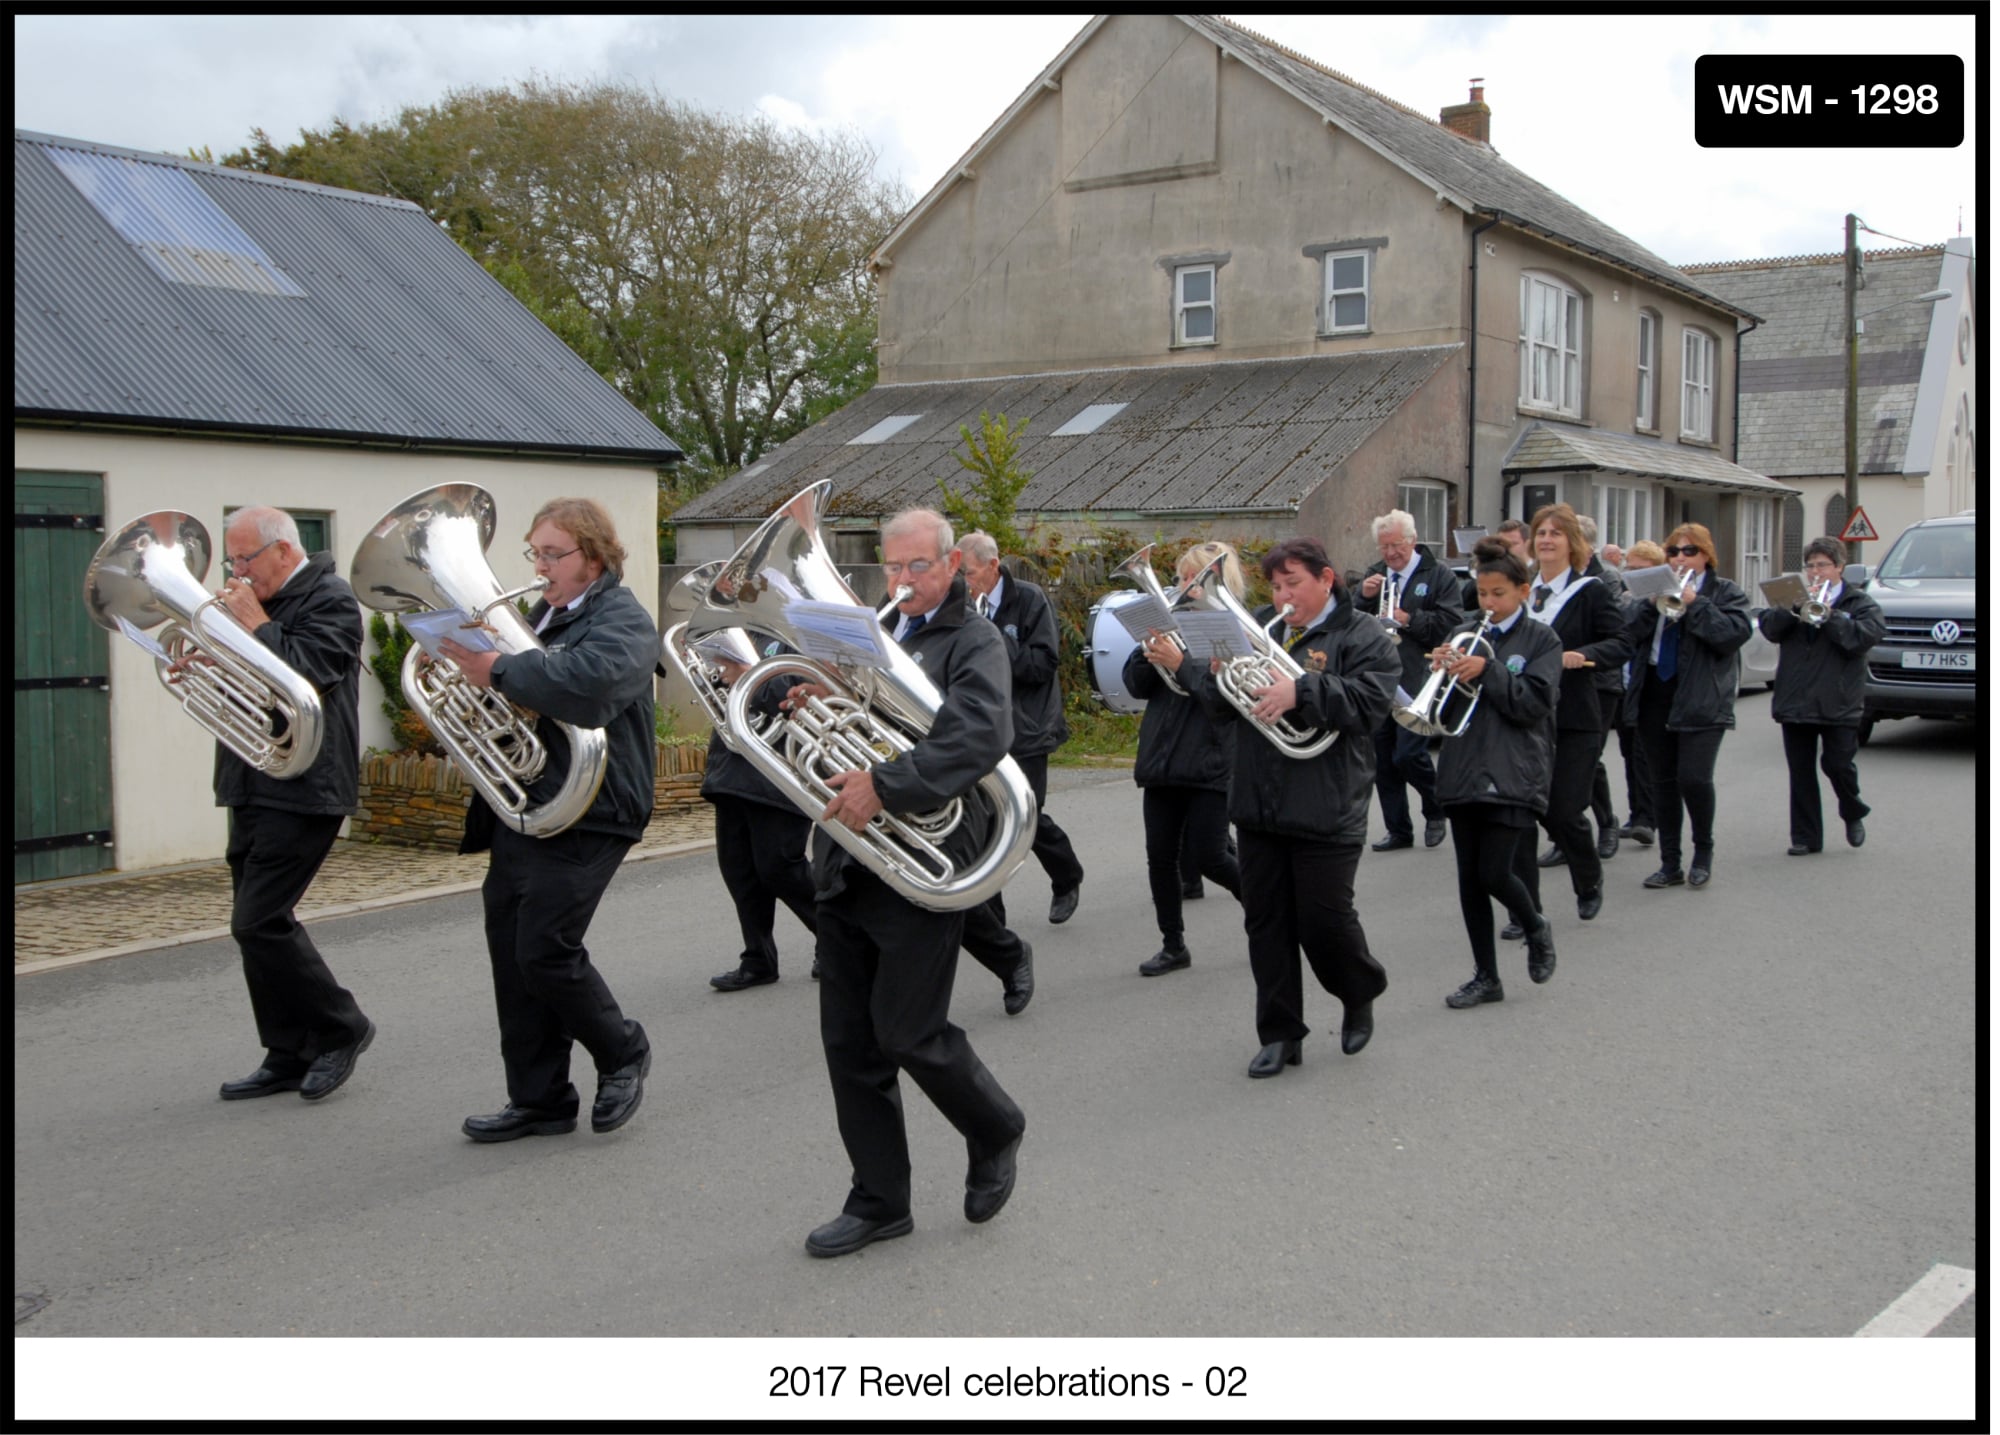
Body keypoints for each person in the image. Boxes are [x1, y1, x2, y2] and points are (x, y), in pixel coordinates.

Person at [795, 508, 1027, 1257]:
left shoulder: (975, 640)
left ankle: (995, 1126)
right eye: (891, 569)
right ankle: (879, 1200)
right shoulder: (876, 634)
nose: (901, 581)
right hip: (849, 856)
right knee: (849, 1046)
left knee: (909, 1031)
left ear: (952, 562)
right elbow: (848, 725)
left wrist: (887, 786)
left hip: (925, 856)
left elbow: (980, 734)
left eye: (917, 567)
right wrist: (809, 699)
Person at [439, 498, 657, 1143]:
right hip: (531, 802)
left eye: (552, 554)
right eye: (534, 553)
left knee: (544, 951)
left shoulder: (622, 615)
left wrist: (501, 668)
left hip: (595, 807)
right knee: (512, 952)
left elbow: (591, 685)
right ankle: (539, 1100)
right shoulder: (542, 615)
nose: (539, 567)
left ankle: (622, 1050)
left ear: (593, 557)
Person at [1191, 536, 1399, 1078]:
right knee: (1267, 925)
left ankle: (1359, 988)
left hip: (1328, 802)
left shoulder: (1364, 634)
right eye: (1277, 585)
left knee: (1324, 923)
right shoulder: (1261, 626)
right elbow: (1222, 710)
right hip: (1259, 799)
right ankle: (1281, 1034)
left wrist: (1301, 691)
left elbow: (1371, 703)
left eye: (1294, 584)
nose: (1283, 595)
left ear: (1326, 580)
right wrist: (1215, 676)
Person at [209, 507, 376, 1104]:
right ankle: (286, 1050)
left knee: (258, 921)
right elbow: (248, 684)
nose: (237, 571)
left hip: (306, 786)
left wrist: (254, 625)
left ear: (283, 551)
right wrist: (204, 662)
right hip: (251, 779)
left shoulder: (330, 600)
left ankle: (341, 1027)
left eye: (245, 559)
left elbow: (309, 673)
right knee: (255, 928)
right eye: (233, 560)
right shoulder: (259, 602)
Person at [1434, 538, 1564, 1008]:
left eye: (1498, 594)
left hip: (1513, 769)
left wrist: (1487, 670)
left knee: (1494, 871)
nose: (1487, 603)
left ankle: (1534, 924)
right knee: (1470, 879)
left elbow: (1532, 703)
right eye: (1482, 594)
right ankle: (1486, 976)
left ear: (1523, 592)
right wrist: (1443, 673)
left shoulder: (1542, 640)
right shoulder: (1464, 631)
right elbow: (1444, 710)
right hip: (1464, 764)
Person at [1122, 541, 1245, 975]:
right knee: (1160, 857)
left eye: (1190, 577)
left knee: (1211, 856)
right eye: (1179, 577)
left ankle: (1268, 912)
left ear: (1215, 581)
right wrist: (1145, 650)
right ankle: (1173, 945)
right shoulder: (1171, 622)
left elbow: (1223, 698)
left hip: (1210, 757)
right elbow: (1137, 686)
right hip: (1162, 757)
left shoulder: (1233, 628)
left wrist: (1179, 664)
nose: (1181, 585)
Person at [959, 532, 1085, 924]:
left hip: (1027, 728)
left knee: (1027, 816)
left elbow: (1042, 664)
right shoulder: (963, 604)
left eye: (970, 572)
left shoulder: (1029, 599)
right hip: (982, 727)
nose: (964, 581)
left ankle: (1066, 876)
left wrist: (990, 635)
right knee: (986, 820)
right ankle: (994, 918)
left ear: (993, 566)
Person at [1624, 522, 1751, 890]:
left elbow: (1730, 636)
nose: (1680, 558)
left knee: (1694, 779)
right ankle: (1670, 864)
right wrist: (1649, 605)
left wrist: (1696, 603)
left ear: (1706, 556)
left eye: (1689, 551)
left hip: (1702, 697)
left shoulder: (1725, 592)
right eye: (1674, 552)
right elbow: (1627, 632)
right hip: (1655, 694)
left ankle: (1703, 852)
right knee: (1662, 782)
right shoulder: (1655, 588)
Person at [1523, 505, 1630, 923]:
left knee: (1564, 811)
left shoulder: (1591, 591)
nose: (1547, 539)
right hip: (1524, 717)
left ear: (1573, 543)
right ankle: (1524, 911)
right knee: (1522, 818)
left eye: (1556, 533)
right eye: (1541, 532)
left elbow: (1621, 641)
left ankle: (1588, 879)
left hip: (1574, 717)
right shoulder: (1520, 591)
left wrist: (1583, 654)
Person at [700, 639, 820, 991]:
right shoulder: (741, 631)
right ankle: (758, 958)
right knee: (739, 871)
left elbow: (798, 696)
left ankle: (836, 939)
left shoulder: (802, 636)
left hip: (781, 772)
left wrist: (748, 676)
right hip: (732, 768)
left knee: (780, 868)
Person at [1757, 538, 1885, 855]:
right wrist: (1794, 609)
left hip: (1839, 699)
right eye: (1811, 565)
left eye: (1822, 565)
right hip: (1795, 698)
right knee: (1800, 770)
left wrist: (1829, 615)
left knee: (1837, 764)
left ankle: (1852, 808)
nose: (1815, 571)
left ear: (1839, 567)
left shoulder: (1860, 604)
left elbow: (1861, 639)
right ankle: (1805, 837)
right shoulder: (1793, 597)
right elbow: (1770, 629)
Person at [1359, 510, 1464, 852]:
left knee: (1408, 754)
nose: (1390, 553)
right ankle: (1398, 830)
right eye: (1384, 546)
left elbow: (1452, 623)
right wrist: (1362, 596)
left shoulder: (1439, 574)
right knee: (1384, 759)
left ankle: (1436, 809)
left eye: (1396, 545)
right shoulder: (1375, 575)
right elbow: (1353, 621)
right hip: (1380, 673)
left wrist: (1408, 618)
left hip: (1419, 674)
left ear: (1412, 541)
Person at [1576, 514, 1625, 862]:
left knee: (1588, 757)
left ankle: (1607, 822)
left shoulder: (1606, 580)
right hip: (1562, 682)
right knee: (1564, 759)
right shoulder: (1552, 579)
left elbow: (1615, 634)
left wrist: (1582, 651)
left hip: (1599, 682)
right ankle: (1570, 833)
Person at [1611, 541, 1664, 846]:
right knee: (1629, 753)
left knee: (1645, 754)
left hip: (1647, 688)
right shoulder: (1625, 599)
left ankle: (1648, 817)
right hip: (1623, 685)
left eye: (1641, 570)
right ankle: (1637, 813)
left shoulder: (1660, 601)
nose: (1633, 575)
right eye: (1629, 569)